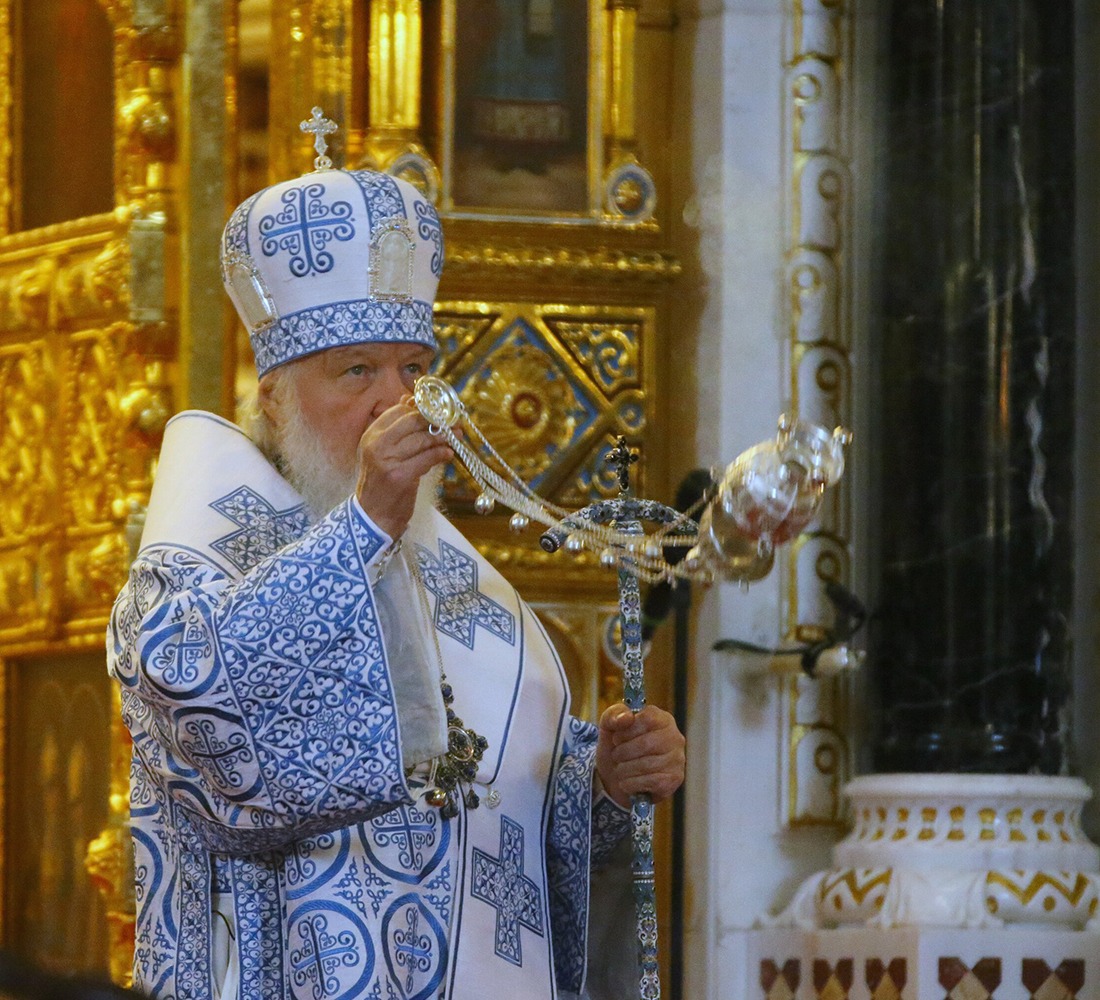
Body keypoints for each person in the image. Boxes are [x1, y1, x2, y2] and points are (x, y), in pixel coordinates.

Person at [108, 117, 685, 1000]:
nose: (398, 400)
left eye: (415, 366)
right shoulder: (192, 561)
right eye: (356, 371)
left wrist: (598, 781)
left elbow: (494, 806)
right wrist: (367, 521)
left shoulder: (450, 568)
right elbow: (218, 739)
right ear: (274, 397)